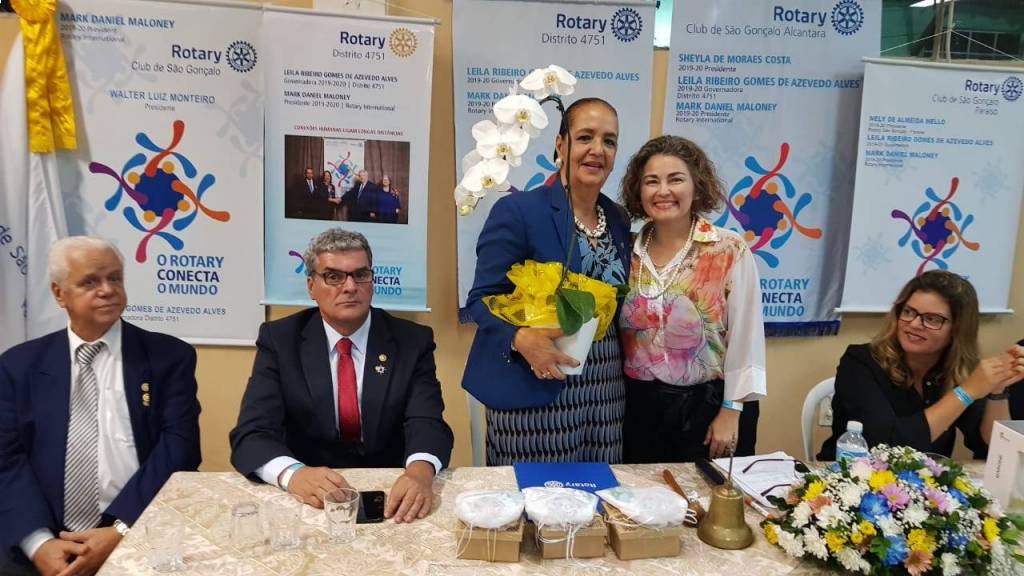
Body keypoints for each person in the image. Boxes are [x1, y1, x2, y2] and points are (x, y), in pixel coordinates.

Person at [0, 237, 201, 575]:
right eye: (90, 282)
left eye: (115, 278)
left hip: (139, 528)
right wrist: (39, 543)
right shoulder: (18, 366)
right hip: (42, 537)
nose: (107, 290)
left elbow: (178, 449)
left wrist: (122, 529)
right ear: (59, 293)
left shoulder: (169, 357)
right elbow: (6, 460)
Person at [230, 228, 453, 523]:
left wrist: (420, 471)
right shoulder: (280, 340)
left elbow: (427, 421)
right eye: (333, 276)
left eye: (360, 274)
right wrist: (293, 475)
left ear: (372, 281)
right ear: (311, 286)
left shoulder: (411, 341)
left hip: (393, 493)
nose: (349, 286)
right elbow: (252, 433)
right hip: (310, 496)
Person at [462, 97, 632, 465]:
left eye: (609, 141)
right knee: (535, 496)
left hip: (605, 394)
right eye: (585, 137)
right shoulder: (519, 211)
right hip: (533, 387)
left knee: (600, 494)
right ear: (560, 144)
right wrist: (520, 338)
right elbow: (481, 299)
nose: (597, 149)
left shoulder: (619, 219)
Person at [617, 136, 766, 463]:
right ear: (638, 191)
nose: (663, 191)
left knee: (709, 495)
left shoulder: (727, 248)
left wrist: (731, 409)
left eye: (676, 179)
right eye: (651, 181)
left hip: (711, 409)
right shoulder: (625, 251)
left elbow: (747, 335)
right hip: (639, 411)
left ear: (697, 186)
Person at [819, 271, 1024, 460]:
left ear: (958, 329)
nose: (914, 324)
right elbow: (885, 447)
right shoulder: (860, 361)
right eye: (908, 311)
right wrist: (965, 392)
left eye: (932, 319)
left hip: (927, 483)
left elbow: (994, 450)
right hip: (851, 479)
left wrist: (997, 391)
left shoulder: (958, 370)